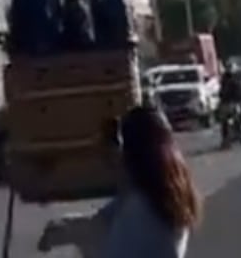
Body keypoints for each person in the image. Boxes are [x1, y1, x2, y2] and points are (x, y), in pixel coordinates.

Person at [39, 106, 201, 258]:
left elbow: (108, 241)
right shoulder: (163, 194)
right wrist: (60, 230)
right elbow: (100, 221)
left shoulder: (140, 208)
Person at [218, 62, 241, 145]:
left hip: (238, 101)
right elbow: (221, 91)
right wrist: (221, 98)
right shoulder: (224, 78)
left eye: (231, 68)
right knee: (224, 120)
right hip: (228, 102)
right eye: (228, 68)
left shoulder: (239, 78)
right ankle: (225, 139)